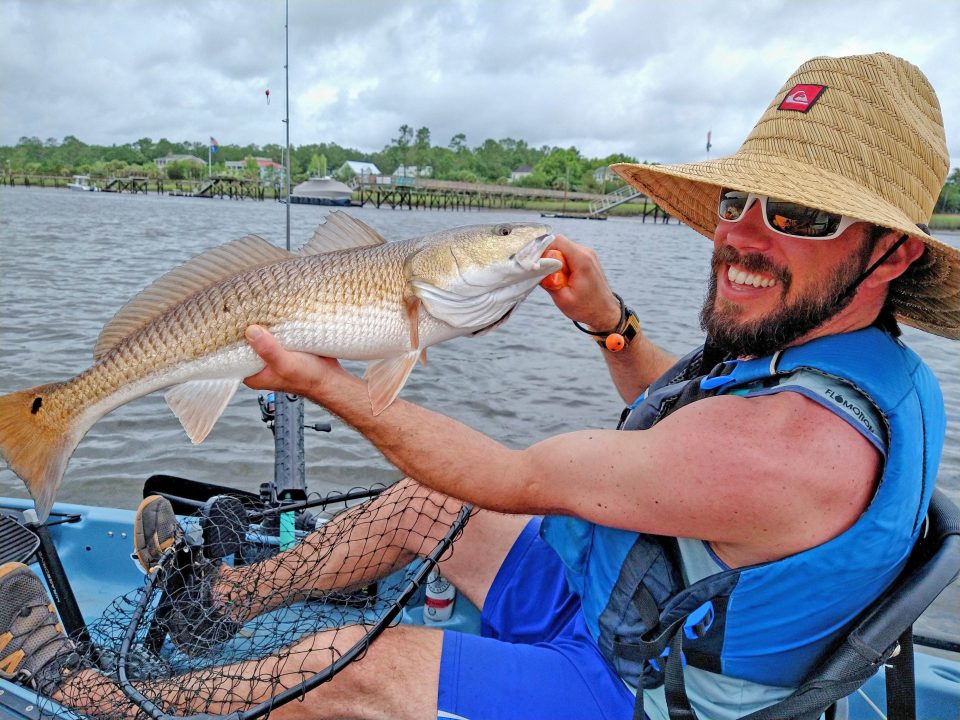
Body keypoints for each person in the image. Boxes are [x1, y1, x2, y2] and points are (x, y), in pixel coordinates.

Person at [2, 51, 957, 720]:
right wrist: (608, 324)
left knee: (347, 665)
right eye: (739, 201)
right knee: (423, 506)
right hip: (618, 598)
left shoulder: (794, 452)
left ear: (890, 253)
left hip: (634, 688)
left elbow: (505, 477)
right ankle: (228, 599)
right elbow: (680, 412)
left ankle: (90, 699)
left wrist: (319, 382)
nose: (743, 235)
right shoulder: (849, 366)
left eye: (797, 214)